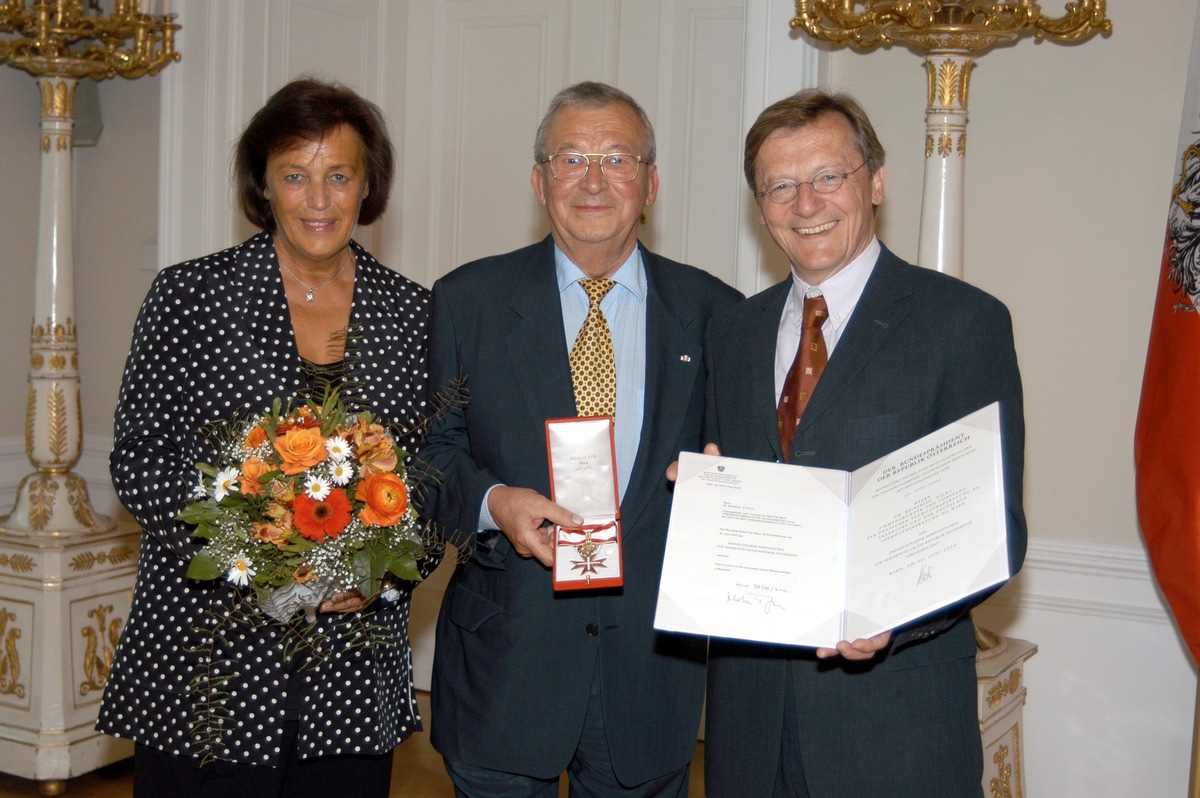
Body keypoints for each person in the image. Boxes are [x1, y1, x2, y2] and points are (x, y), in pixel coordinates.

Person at [97, 78, 432, 797]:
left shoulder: (414, 314)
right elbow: (139, 460)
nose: (319, 199)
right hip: (207, 660)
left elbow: (435, 478)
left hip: (348, 671)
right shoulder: (189, 296)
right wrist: (255, 546)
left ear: (366, 186)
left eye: (338, 175)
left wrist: (382, 573)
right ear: (264, 185)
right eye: (295, 175)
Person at [417, 81, 741, 795]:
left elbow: (741, 473)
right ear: (539, 182)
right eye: (570, 159)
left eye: (617, 159)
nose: (593, 180)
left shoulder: (718, 314)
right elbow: (430, 458)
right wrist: (494, 502)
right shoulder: (466, 301)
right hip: (505, 669)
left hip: (652, 680)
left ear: (651, 183)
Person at [701, 89, 1027, 797]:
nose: (806, 203)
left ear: (875, 182)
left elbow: (994, 528)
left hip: (893, 726)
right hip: (748, 726)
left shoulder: (962, 324)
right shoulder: (730, 334)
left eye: (829, 176)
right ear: (760, 209)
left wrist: (892, 620)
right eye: (780, 185)